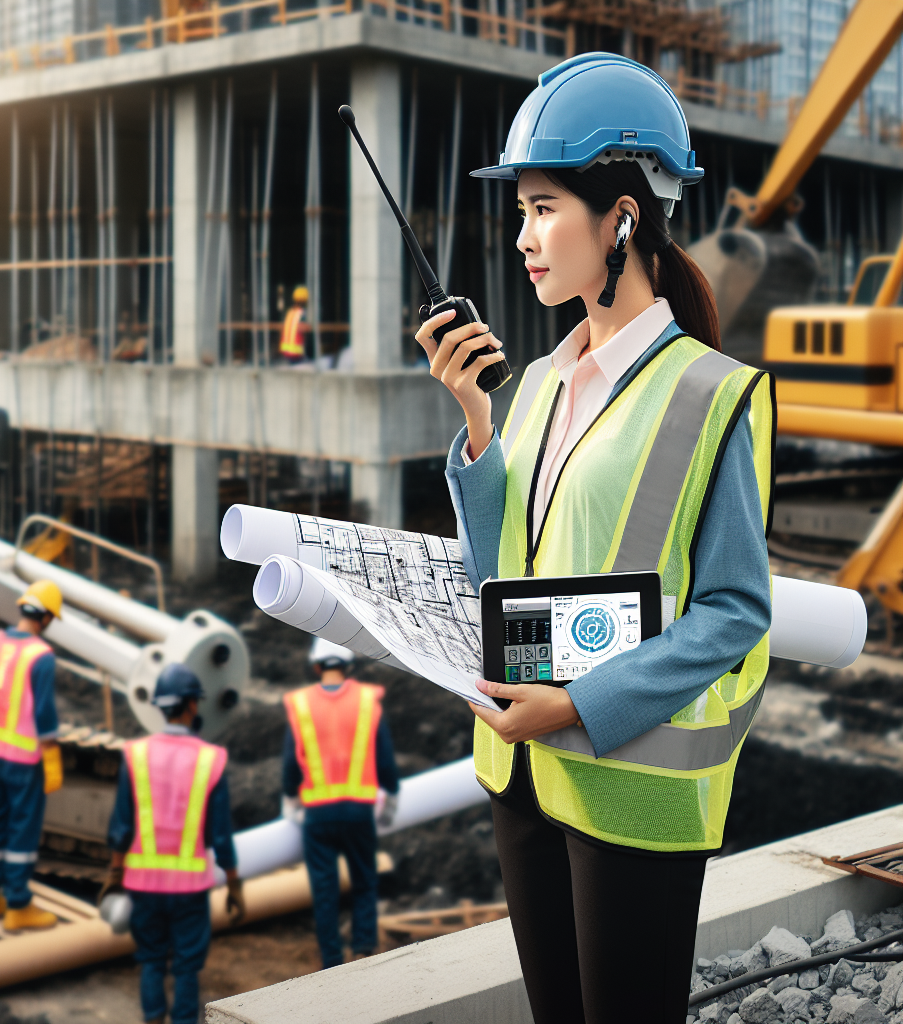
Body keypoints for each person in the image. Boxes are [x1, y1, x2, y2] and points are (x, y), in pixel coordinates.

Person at [420, 54, 774, 1024]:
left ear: (620, 213)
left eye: (542, 207)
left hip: (632, 792)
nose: (524, 236)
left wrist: (576, 703)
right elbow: (504, 583)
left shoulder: (714, 393)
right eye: (522, 210)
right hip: (521, 769)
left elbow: (736, 612)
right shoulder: (535, 383)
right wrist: (477, 422)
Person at [103, 664, 245, 1024]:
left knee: (151, 960)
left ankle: (153, 1019)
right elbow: (221, 834)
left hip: (142, 884)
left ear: (160, 706)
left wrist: (115, 872)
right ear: (192, 706)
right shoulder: (210, 760)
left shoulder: (135, 754)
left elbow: (122, 823)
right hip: (189, 889)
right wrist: (233, 884)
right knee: (186, 967)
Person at [282, 639, 399, 969]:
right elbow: (386, 759)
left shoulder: (302, 704)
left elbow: (291, 762)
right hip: (359, 809)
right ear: (348, 667)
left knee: (324, 888)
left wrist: (291, 797)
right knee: (364, 880)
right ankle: (362, 948)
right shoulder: (366, 702)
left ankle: (332, 959)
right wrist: (390, 796)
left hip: (318, 812)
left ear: (317, 666)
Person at [0, 579, 64, 931]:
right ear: (48, 618)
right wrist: (52, 757)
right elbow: (45, 716)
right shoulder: (41, 656)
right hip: (25, 759)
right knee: (22, 829)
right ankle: (18, 905)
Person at [279, 285, 310, 364]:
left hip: (286, 351)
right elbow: (303, 328)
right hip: (296, 353)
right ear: (305, 300)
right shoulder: (302, 314)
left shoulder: (290, 312)